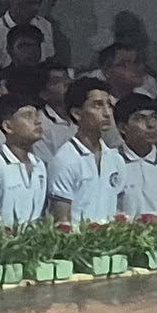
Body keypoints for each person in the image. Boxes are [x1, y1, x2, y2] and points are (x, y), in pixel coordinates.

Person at [45, 75, 122, 223]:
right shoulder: (65, 160)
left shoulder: (115, 158)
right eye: (97, 105)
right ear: (77, 113)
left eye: (109, 105)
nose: (107, 113)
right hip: (79, 237)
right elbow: (61, 220)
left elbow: (118, 210)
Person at [0, 93, 50, 225]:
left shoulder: (39, 165)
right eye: (28, 116)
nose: (37, 121)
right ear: (8, 126)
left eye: (36, 115)